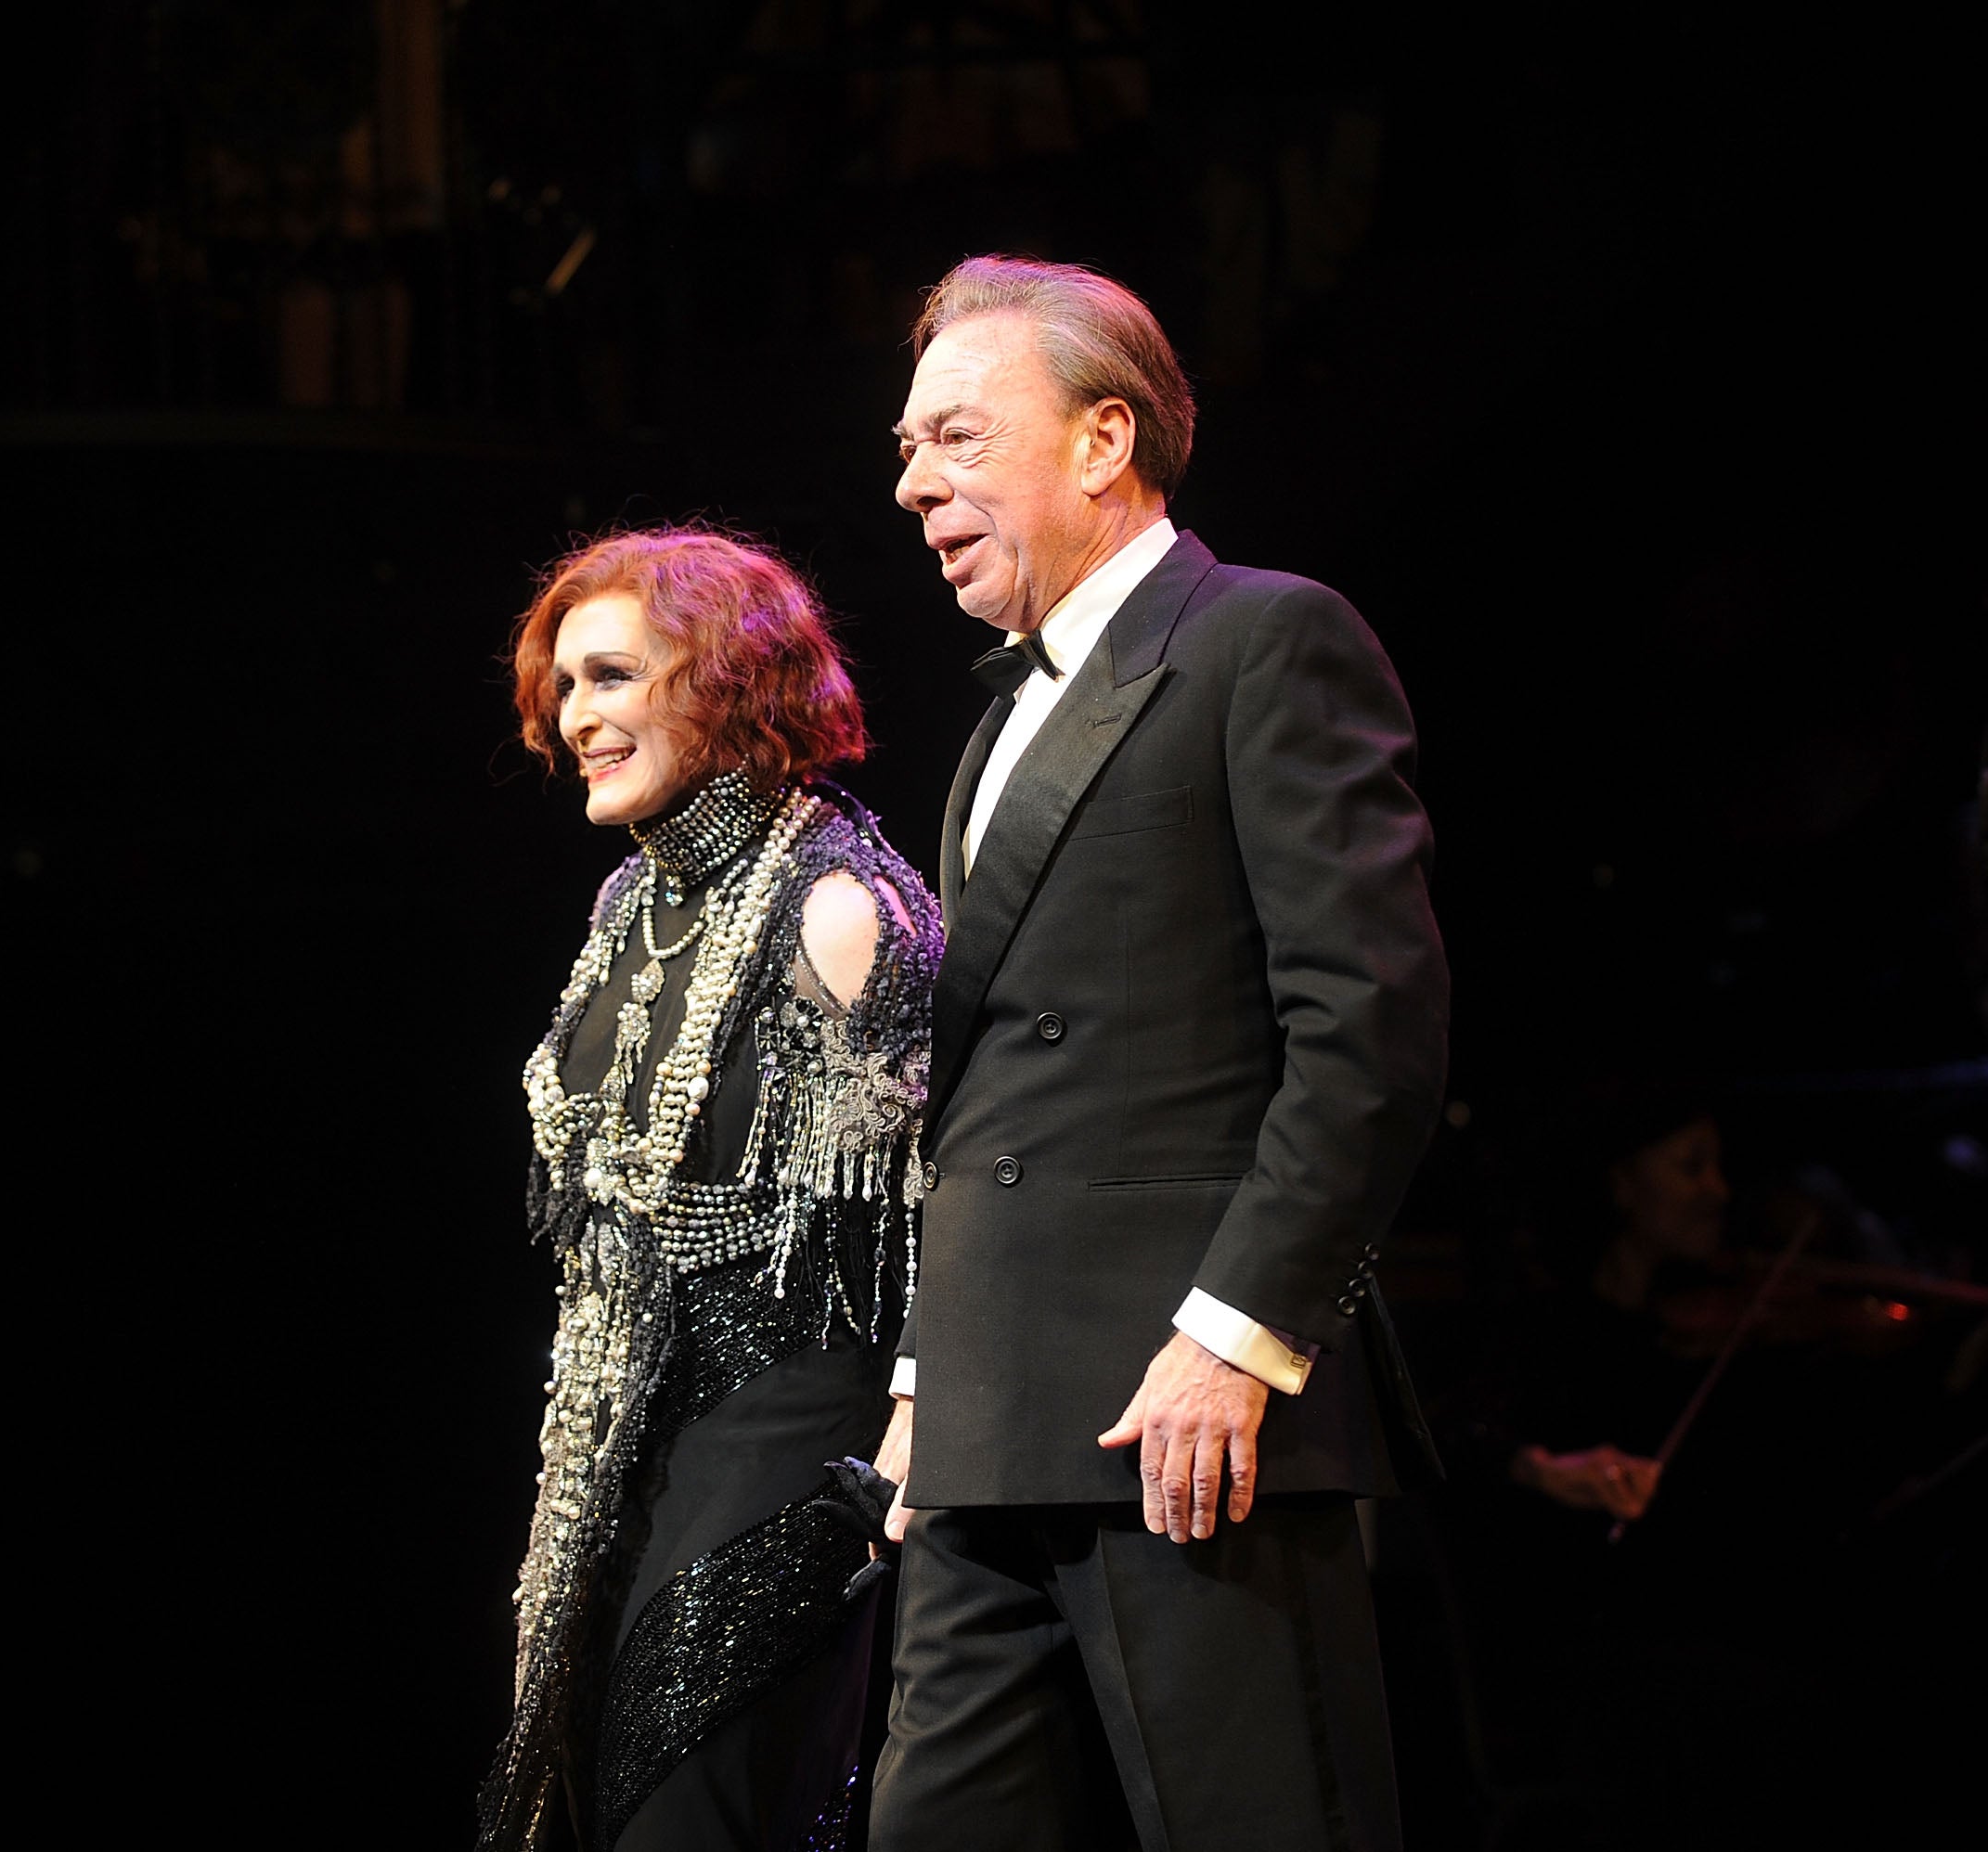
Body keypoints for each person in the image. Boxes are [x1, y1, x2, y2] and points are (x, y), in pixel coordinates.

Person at [864, 257, 1451, 1851]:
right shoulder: (998, 724)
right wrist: (928, 1373)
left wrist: (1240, 1335)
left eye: (958, 438)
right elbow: (984, 1094)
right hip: (995, 1419)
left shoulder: (1265, 640)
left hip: (1189, 1421)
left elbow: (1371, 1032)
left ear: (1104, 440)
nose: (913, 481)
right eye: (909, 447)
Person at [476, 528, 940, 1852]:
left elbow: (961, 1188)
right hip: (622, 1443)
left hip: (790, 1445)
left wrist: (918, 1426)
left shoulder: (839, 904)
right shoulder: (631, 901)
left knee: (688, 1808)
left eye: (612, 677)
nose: (576, 719)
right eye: (566, 687)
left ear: (726, 684)